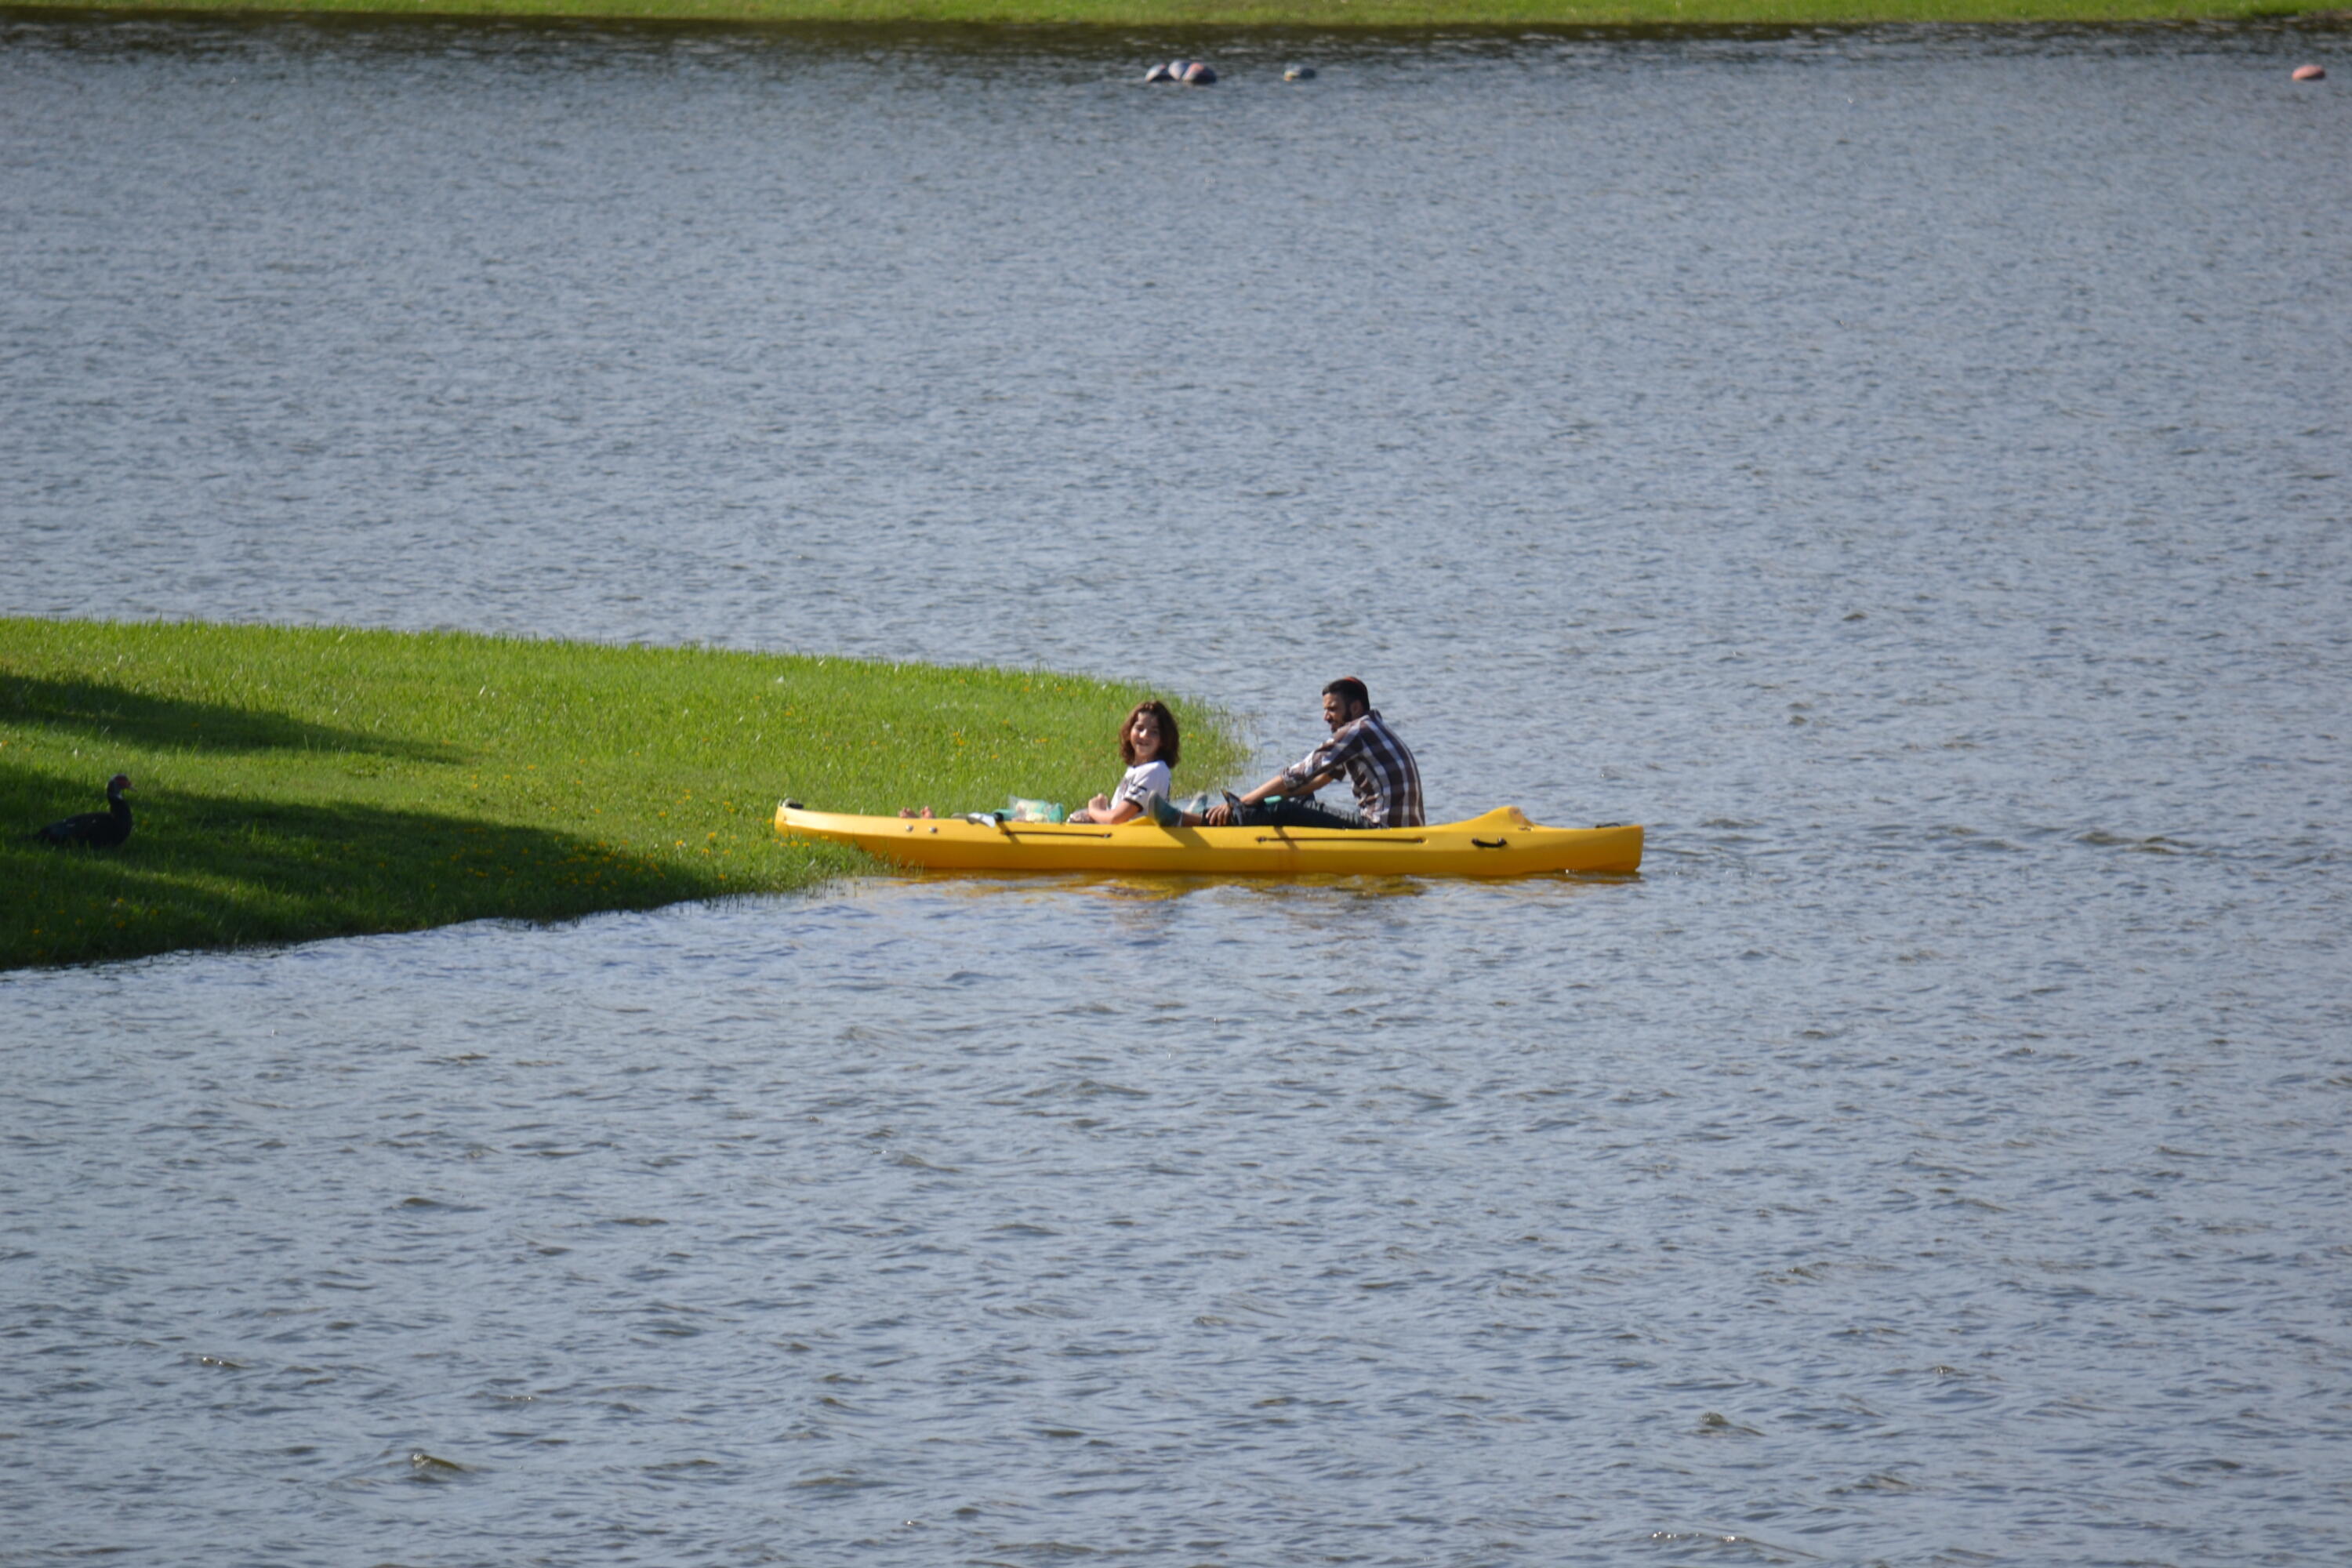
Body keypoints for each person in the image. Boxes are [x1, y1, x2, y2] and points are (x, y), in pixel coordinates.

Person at [1201, 677, 1422, 829]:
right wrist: (1261, 800)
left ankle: (1200, 822)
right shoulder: (1372, 728)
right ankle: (1229, 817)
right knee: (1297, 798)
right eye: (1325, 709)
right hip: (1403, 830)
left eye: (1332, 709)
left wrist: (1242, 802)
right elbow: (1317, 781)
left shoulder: (1356, 732)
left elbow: (1298, 773)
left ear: (1355, 708)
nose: (1326, 716)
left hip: (1382, 832)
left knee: (1283, 809)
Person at [1067, 699, 1182, 824]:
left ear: (1164, 740)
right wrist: (1101, 810)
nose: (1144, 735)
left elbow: (1116, 818)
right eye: (1139, 728)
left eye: (1154, 732)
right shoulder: (1137, 770)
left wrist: (1094, 809)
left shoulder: (1154, 771)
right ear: (1129, 732)